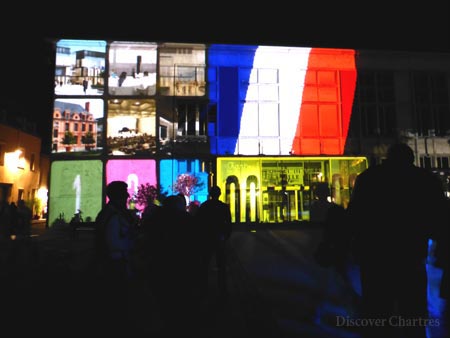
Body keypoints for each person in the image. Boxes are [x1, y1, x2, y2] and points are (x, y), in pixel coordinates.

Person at [346, 142, 448, 338]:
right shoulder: (424, 179)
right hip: (410, 256)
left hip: (375, 256)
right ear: (411, 159)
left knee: (377, 313)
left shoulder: (369, 178)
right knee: (413, 314)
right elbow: (439, 218)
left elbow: (355, 215)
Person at [94, 180, 137, 334]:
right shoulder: (113, 215)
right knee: (118, 301)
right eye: (124, 193)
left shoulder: (109, 213)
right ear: (118, 195)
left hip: (115, 262)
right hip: (116, 264)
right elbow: (114, 242)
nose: (127, 195)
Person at [196, 185, 232, 299]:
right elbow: (229, 223)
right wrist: (225, 236)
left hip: (207, 238)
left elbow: (199, 221)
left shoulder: (204, 206)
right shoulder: (223, 207)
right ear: (219, 194)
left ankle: (204, 287)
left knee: (205, 263)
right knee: (221, 264)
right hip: (219, 237)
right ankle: (222, 288)